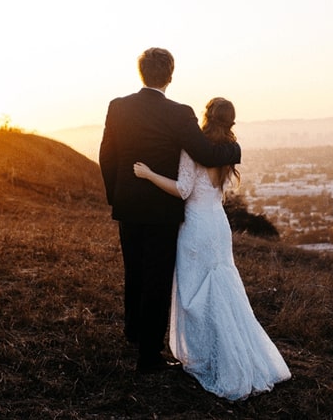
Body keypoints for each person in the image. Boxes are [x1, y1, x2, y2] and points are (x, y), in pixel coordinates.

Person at [133, 97, 291, 400]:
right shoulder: (226, 150)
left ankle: (208, 356)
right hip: (218, 225)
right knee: (222, 287)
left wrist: (149, 174)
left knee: (196, 290)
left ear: (205, 116)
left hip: (196, 226)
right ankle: (232, 350)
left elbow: (182, 190)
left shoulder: (194, 149)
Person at [99, 48, 242, 374]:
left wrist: (116, 196)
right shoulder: (179, 113)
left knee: (134, 271)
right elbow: (206, 152)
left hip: (129, 206)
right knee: (157, 280)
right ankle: (149, 356)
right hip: (162, 211)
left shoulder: (117, 107)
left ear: (141, 73)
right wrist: (236, 149)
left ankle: (132, 332)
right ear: (170, 75)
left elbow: (106, 156)